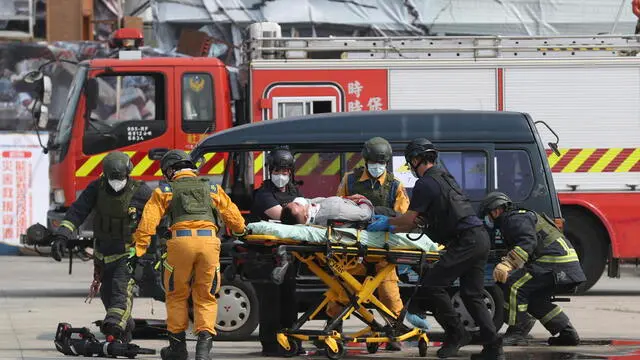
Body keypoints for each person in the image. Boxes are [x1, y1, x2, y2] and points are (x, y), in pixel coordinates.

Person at [367, 138, 503, 360]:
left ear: (417, 159)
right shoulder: (445, 177)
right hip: (479, 239)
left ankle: (456, 333)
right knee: (472, 295)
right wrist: (401, 223)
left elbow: (411, 220)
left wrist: (388, 223)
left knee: (432, 286)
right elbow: (424, 219)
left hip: (465, 241)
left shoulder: (425, 183)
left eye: (411, 161)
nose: (411, 166)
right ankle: (493, 347)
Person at [132, 150, 246, 360]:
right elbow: (234, 217)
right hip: (209, 244)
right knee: (206, 296)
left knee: (177, 296)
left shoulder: (165, 190)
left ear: (169, 170)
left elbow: (148, 222)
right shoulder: (212, 187)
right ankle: (203, 351)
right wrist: (241, 232)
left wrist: (139, 249)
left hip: (180, 244)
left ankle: (177, 349)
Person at [50, 151, 152, 343]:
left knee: (119, 292)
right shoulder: (96, 188)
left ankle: (114, 328)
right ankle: (124, 332)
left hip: (127, 254)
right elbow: (77, 212)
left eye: (120, 177)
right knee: (107, 296)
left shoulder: (141, 191)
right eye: (113, 178)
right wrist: (62, 236)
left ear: (128, 174)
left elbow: (159, 215)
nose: (116, 181)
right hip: (103, 255)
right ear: (105, 175)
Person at [336, 136, 430, 345]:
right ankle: (333, 330)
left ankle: (394, 334)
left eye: (382, 163)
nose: (378, 166)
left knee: (389, 294)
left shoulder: (395, 186)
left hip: (382, 252)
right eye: (374, 162)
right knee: (341, 291)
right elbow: (338, 208)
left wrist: (384, 217)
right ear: (365, 160)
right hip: (353, 250)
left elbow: (404, 216)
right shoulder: (349, 181)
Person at [479, 192, 585, 347]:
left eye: (488, 215)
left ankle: (517, 332)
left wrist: (508, 263)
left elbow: (527, 242)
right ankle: (567, 333)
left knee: (514, 284)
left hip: (554, 264)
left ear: (496, 211)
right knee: (534, 299)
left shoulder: (514, 219)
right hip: (565, 267)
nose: (488, 220)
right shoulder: (518, 219)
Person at [250, 148, 304, 357]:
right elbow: (287, 216)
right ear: (270, 170)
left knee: (289, 302)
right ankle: (271, 345)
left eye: (285, 171)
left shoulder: (295, 193)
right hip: (266, 258)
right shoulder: (263, 195)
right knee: (270, 302)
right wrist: (298, 211)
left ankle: (291, 342)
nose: (281, 175)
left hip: (289, 256)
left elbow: (303, 212)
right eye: (278, 170)